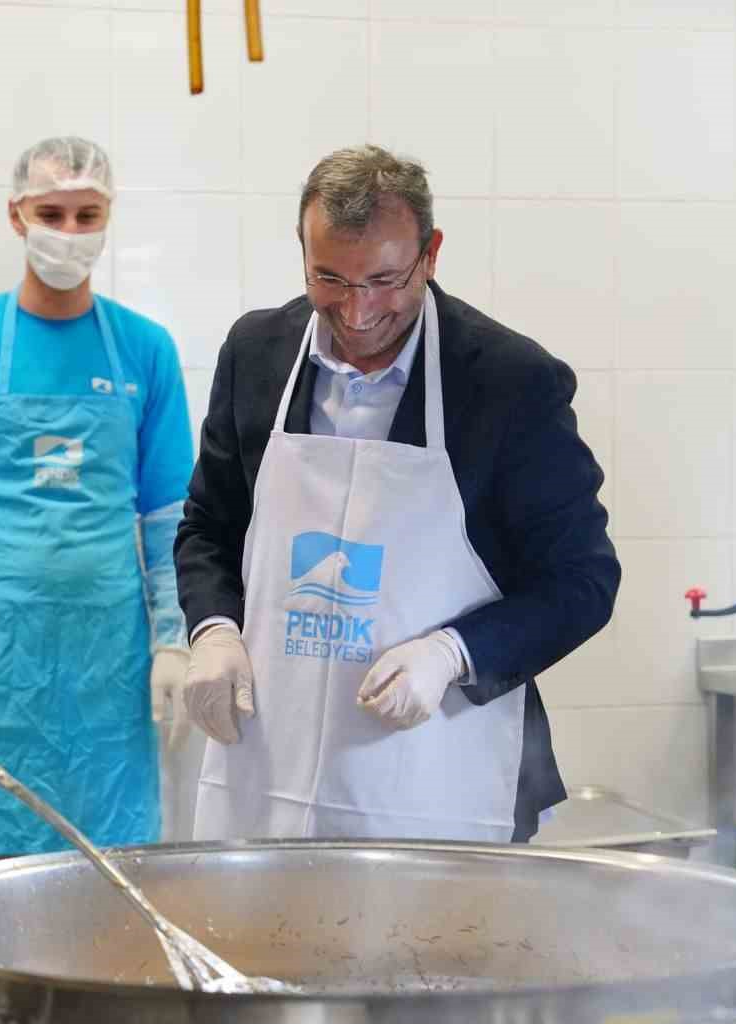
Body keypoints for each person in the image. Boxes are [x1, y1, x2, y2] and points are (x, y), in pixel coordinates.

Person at [174, 145, 620, 844]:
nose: (356, 312)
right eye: (330, 277)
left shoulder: (509, 382)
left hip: (441, 776)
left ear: (431, 254)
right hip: (271, 773)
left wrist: (454, 652)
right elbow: (208, 525)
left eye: (384, 279)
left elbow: (585, 580)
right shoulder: (257, 352)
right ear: (301, 249)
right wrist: (213, 629)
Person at [0, 137, 195, 871]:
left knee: (106, 883)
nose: (69, 232)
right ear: (16, 217)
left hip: (109, 658)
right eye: (51, 212)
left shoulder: (145, 349)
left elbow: (168, 515)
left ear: (108, 219)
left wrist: (173, 638)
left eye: (86, 214)